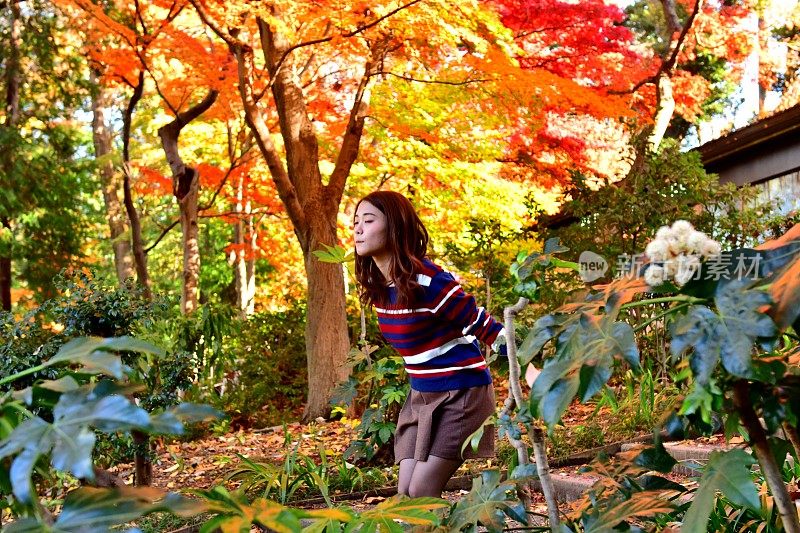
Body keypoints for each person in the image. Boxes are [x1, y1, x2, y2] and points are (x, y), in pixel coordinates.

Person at [352, 190, 506, 498]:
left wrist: (533, 372)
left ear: (395, 227)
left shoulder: (429, 281)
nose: (358, 229)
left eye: (368, 221)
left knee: (421, 490)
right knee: (406, 493)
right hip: (422, 394)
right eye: (355, 221)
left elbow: (487, 327)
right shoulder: (381, 288)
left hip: (462, 392)